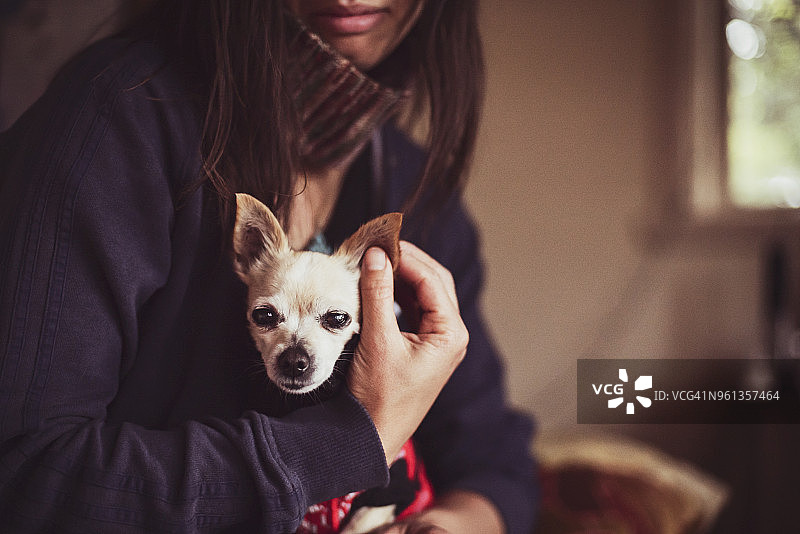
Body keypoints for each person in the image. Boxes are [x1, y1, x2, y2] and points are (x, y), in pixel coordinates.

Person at [0, 0, 538, 532]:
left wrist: (446, 526)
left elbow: (495, 464)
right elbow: (26, 472)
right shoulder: (119, 114)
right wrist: (351, 439)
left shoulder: (413, 185)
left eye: (334, 320)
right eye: (267, 315)